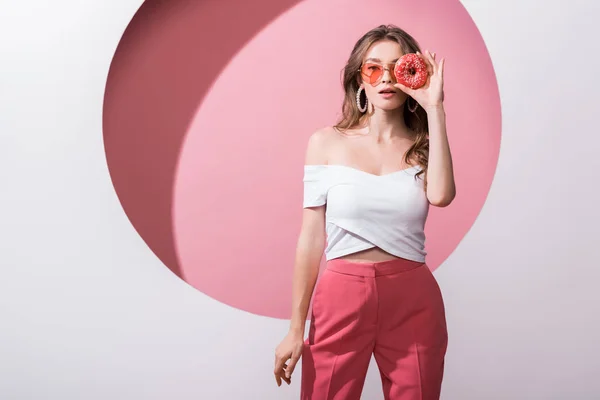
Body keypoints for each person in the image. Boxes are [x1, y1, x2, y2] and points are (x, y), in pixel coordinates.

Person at [274, 24, 455, 400]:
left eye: (397, 67)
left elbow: (440, 195)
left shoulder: (423, 146)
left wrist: (434, 106)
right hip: (341, 293)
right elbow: (311, 237)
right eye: (373, 68)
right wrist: (295, 328)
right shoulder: (326, 142)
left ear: (413, 73)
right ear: (359, 78)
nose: (385, 78)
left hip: (412, 298)